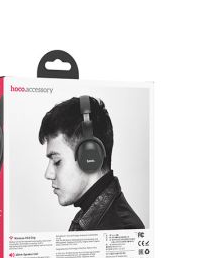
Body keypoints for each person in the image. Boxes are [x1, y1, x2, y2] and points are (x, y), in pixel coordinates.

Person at [38, 96, 144, 231]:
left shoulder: (123, 231)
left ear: (90, 157)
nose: (48, 174)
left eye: (57, 161)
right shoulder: (88, 217)